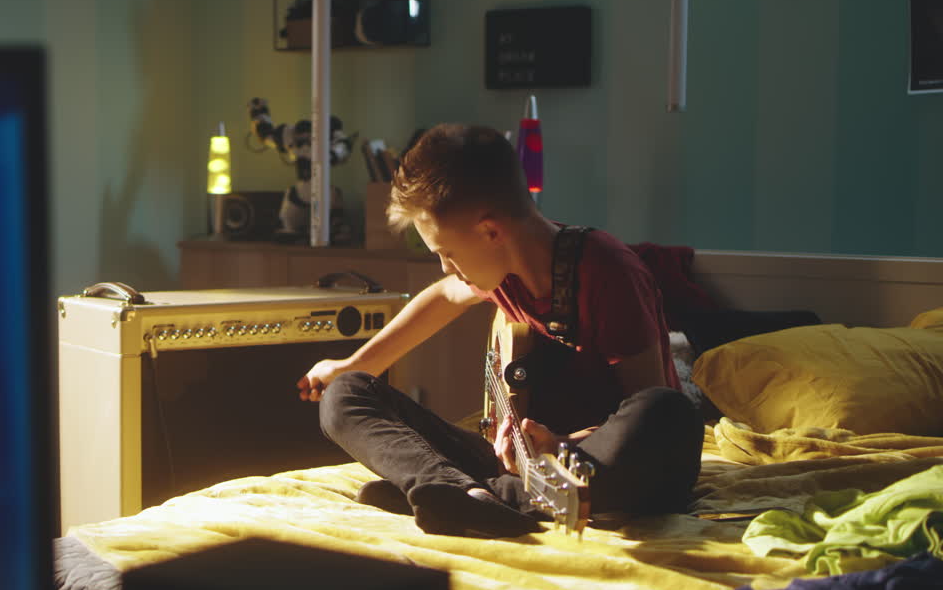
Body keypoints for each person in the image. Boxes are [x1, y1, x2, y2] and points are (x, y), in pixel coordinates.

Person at [296, 123, 703, 538]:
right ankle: (464, 493)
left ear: (491, 232)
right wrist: (352, 363)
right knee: (345, 394)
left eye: (447, 252)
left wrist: (561, 444)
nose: (446, 267)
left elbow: (645, 409)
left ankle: (466, 493)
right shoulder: (498, 268)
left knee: (666, 412)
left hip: (600, 461)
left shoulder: (609, 272)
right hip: (520, 463)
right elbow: (443, 296)